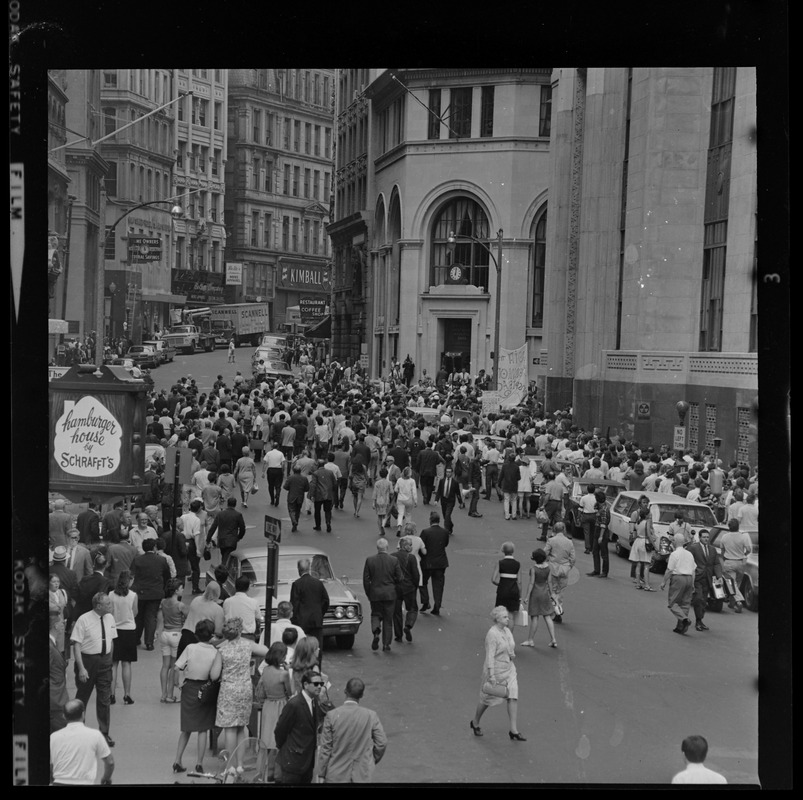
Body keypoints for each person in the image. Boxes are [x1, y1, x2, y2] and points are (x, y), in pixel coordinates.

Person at [215, 617, 269, 775]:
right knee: (241, 727)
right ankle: (240, 764)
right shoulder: (248, 645)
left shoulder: (222, 649)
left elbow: (214, 674)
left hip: (228, 690)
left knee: (230, 729)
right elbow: (266, 650)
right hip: (245, 688)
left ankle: (230, 766)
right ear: (239, 631)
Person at [174, 620, 223, 774]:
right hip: (205, 689)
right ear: (212, 635)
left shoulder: (190, 648)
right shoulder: (215, 651)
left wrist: (178, 684)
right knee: (203, 728)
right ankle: (199, 763)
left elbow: (176, 667)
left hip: (189, 687)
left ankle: (177, 760)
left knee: (186, 728)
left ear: (196, 634)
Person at [470, 606, 526, 741]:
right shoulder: (492, 634)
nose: (508, 619)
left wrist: (511, 654)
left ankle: (513, 730)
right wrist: (491, 675)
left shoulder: (507, 631)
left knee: (513, 695)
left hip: (509, 669)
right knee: (487, 699)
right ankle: (475, 721)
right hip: (496, 670)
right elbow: (490, 656)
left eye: (508, 616)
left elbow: (510, 646)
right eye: (505, 617)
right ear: (497, 619)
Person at [318, 677, 388, 783]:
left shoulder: (331, 715)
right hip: (362, 775)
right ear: (362, 695)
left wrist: (321, 774)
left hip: (336, 775)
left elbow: (326, 748)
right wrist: (371, 760)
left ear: (345, 691)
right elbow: (382, 743)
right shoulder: (371, 715)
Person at [71, 592, 117, 748]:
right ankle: (79, 733)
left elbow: (111, 640)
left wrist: (110, 660)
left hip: (105, 661)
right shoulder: (83, 620)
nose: (111, 606)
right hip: (87, 661)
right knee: (82, 697)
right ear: (98, 606)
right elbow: (76, 645)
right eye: (108, 603)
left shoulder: (110, 618)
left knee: (105, 699)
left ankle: (104, 733)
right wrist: (82, 668)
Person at [273, 669, 326, 784]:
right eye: (316, 684)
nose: (319, 687)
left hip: (307, 763)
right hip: (293, 762)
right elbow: (280, 730)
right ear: (305, 685)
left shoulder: (314, 702)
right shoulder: (294, 704)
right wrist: (286, 748)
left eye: (321, 684)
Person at [50, 699, 115, 786]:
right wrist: (106, 778)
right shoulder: (95, 735)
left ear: (64, 716)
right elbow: (110, 762)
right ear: (83, 714)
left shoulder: (53, 737)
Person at [254, 641, 293, 782]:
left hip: (268, 706)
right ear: (281, 656)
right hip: (280, 705)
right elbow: (290, 692)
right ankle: (276, 772)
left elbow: (261, 691)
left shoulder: (265, 671)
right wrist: (288, 671)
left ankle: (263, 772)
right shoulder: (283, 674)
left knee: (266, 740)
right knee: (279, 741)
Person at [363, 537, 403, 652]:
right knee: (388, 619)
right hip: (390, 594)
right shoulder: (394, 560)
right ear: (387, 547)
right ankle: (386, 644)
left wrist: (369, 593)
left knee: (375, 614)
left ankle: (376, 632)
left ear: (377, 548)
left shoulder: (370, 560)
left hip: (375, 593)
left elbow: (366, 579)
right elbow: (400, 578)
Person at [131, 537, 171, 650]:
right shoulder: (161, 560)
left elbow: (132, 575)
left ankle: (136, 638)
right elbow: (167, 576)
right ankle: (149, 642)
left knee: (139, 616)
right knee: (151, 616)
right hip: (155, 592)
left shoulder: (137, 560)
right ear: (154, 547)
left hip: (140, 592)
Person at [109, 571, 138, 706]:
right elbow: (135, 612)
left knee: (113, 664)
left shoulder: (111, 595)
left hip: (114, 630)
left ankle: (111, 694)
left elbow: (109, 612)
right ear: (129, 581)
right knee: (126, 664)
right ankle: (127, 694)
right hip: (128, 630)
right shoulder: (133, 595)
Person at [660, 533, 697, 634]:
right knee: (685, 603)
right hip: (689, 578)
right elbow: (693, 570)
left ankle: (684, 619)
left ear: (674, 542)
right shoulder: (689, 554)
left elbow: (669, 569)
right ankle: (680, 626)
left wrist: (664, 581)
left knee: (673, 603)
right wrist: (692, 583)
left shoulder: (674, 554)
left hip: (678, 578)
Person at [289, 558, 330, 649]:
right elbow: (326, 600)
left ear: (299, 569)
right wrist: (319, 612)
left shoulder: (297, 584)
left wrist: (294, 620)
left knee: (303, 648)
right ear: (309, 569)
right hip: (316, 620)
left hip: (302, 622)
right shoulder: (318, 583)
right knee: (317, 647)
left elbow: (294, 604)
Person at [687, 529, 723, 632]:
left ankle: (700, 620)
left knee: (703, 600)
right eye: (704, 537)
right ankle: (698, 621)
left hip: (708, 578)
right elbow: (688, 561)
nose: (706, 539)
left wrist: (719, 576)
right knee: (698, 599)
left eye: (707, 537)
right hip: (697, 577)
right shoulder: (693, 548)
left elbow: (716, 563)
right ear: (699, 537)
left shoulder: (712, 550)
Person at [158, 578, 188, 702]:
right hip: (176, 635)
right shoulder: (180, 605)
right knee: (174, 666)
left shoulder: (163, 602)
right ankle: (170, 695)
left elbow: (160, 619)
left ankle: (163, 694)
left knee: (165, 666)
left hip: (165, 634)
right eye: (181, 588)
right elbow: (189, 618)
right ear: (176, 590)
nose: (183, 590)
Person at [178, 581, 225, 658]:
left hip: (185, 636)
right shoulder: (218, 609)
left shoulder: (196, 600)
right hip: (199, 642)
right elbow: (218, 631)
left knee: (179, 666)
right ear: (218, 593)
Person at [521, 549, 557, 648]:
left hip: (535, 594)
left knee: (535, 617)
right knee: (547, 616)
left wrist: (527, 596)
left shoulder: (533, 569)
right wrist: (552, 593)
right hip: (545, 594)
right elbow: (549, 582)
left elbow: (531, 583)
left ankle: (530, 640)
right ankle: (553, 639)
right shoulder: (548, 568)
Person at [717, 518, 752, 613]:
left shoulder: (724, 537)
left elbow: (722, 552)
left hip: (729, 561)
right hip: (740, 562)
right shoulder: (743, 537)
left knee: (731, 584)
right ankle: (732, 603)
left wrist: (724, 561)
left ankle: (738, 601)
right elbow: (749, 549)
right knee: (737, 583)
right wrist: (744, 554)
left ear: (729, 527)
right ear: (738, 527)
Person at [419, 510, 450, 615]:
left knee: (422, 582)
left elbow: (421, 546)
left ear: (430, 520)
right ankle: (437, 604)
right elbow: (445, 544)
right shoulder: (445, 532)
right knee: (438, 584)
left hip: (427, 562)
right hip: (441, 562)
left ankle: (425, 601)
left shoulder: (425, 532)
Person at [391, 536, 420, 643]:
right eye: (410, 545)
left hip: (396, 588)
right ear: (404, 546)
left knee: (397, 612)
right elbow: (416, 574)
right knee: (412, 609)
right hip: (409, 588)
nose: (411, 547)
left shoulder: (392, 556)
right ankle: (408, 625)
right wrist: (415, 586)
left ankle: (398, 635)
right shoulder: (411, 557)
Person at [49, 604, 70, 732]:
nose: (63, 625)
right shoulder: (50, 648)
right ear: (56, 626)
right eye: (62, 622)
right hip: (55, 700)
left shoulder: (51, 644)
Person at [206, 497, 246, 562]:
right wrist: (239, 537)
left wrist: (208, 539)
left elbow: (213, 528)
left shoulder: (220, 514)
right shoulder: (238, 515)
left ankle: (224, 567)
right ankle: (224, 568)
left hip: (221, 539)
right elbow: (242, 528)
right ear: (235, 504)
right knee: (227, 557)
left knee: (224, 555)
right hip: (232, 540)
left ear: (227, 504)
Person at [222, 575, 262, 641]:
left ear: (235, 587)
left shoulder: (227, 602)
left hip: (230, 637)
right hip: (248, 638)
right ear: (248, 588)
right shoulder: (253, 602)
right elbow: (258, 618)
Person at [629, 496, 656, 591]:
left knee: (639, 562)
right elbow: (633, 528)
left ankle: (638, 581)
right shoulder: (636, 514)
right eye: (644, 502)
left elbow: (648, 527)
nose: (645, 504)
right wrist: (655, 544)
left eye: (646, 503)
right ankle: (645, 584)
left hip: (638, 540)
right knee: (646, 563)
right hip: (644, 541)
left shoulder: (640, 522)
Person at [492, 542, 522, 628]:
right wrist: (520, 595)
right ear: (513, 551)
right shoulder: (518, 564)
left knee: (500, 614)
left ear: (503, 551)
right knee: (511, 616)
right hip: (514, 591)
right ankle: (509, 637)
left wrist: (500, 584)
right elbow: (519, 582)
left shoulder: (500, 563)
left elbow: (493, 579)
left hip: (502, 590)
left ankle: (500, 634)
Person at [587, 489, 612, 578]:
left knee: (604, 553)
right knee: (595, 551)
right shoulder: (600, 507)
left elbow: (603, 524)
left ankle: (604, 572)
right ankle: (596, 570)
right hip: (597, 529)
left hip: (602, 532)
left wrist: (601, 536)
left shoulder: (604, 510)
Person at [309, 458, 337, 532]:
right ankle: (328, 523)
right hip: (328, 494)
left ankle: (318, 525)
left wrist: (312, 495)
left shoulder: (315, 473)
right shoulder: (330, 472)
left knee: (317, 511)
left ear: (317, 465)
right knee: (328, 510)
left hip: (318, 494)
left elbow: (313, 485)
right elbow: (335, 483)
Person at [434, 465, 461, 534]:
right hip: (443, 501)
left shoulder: (455, 482)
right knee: (445, 516)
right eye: (447, 472)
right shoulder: (442, 481)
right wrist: (436, 500)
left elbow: (458, 493)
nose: (448, 473)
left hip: (451, 501)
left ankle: (446, 530)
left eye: (449, 472)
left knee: (447, 515)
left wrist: (461, 502)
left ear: (452, 473)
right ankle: (450, 525)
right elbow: (439, 491)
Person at [284, 464, 310, 533]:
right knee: (298, 511)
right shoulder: (304, 478)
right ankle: (295, 523)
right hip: (300, 497)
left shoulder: (290, 477)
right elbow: (307, 488)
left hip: (291, 496)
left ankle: (293, 521)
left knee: (291, 510)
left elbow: (285, 486)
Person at [394, 466, 418, 534]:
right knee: (408, 514)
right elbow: (414, 492)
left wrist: (399, 492)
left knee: (400, 513)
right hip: (409, 499)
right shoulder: (412, 481)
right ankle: (407, 528)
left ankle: (399, 526)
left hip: (400, 499)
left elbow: (395, 489)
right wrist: (415, 501)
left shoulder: (399, 480)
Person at [371, 467, 393, 536]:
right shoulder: (389, 483)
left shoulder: (377, 483)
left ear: (380, 475)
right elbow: (392, 492)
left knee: (379, 516)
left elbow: (374, 493)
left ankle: (380, 530)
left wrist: (373, 503)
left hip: (378, 501)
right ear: (387, 475)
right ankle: (383, 525)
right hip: (386, 501)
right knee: (385, 515)